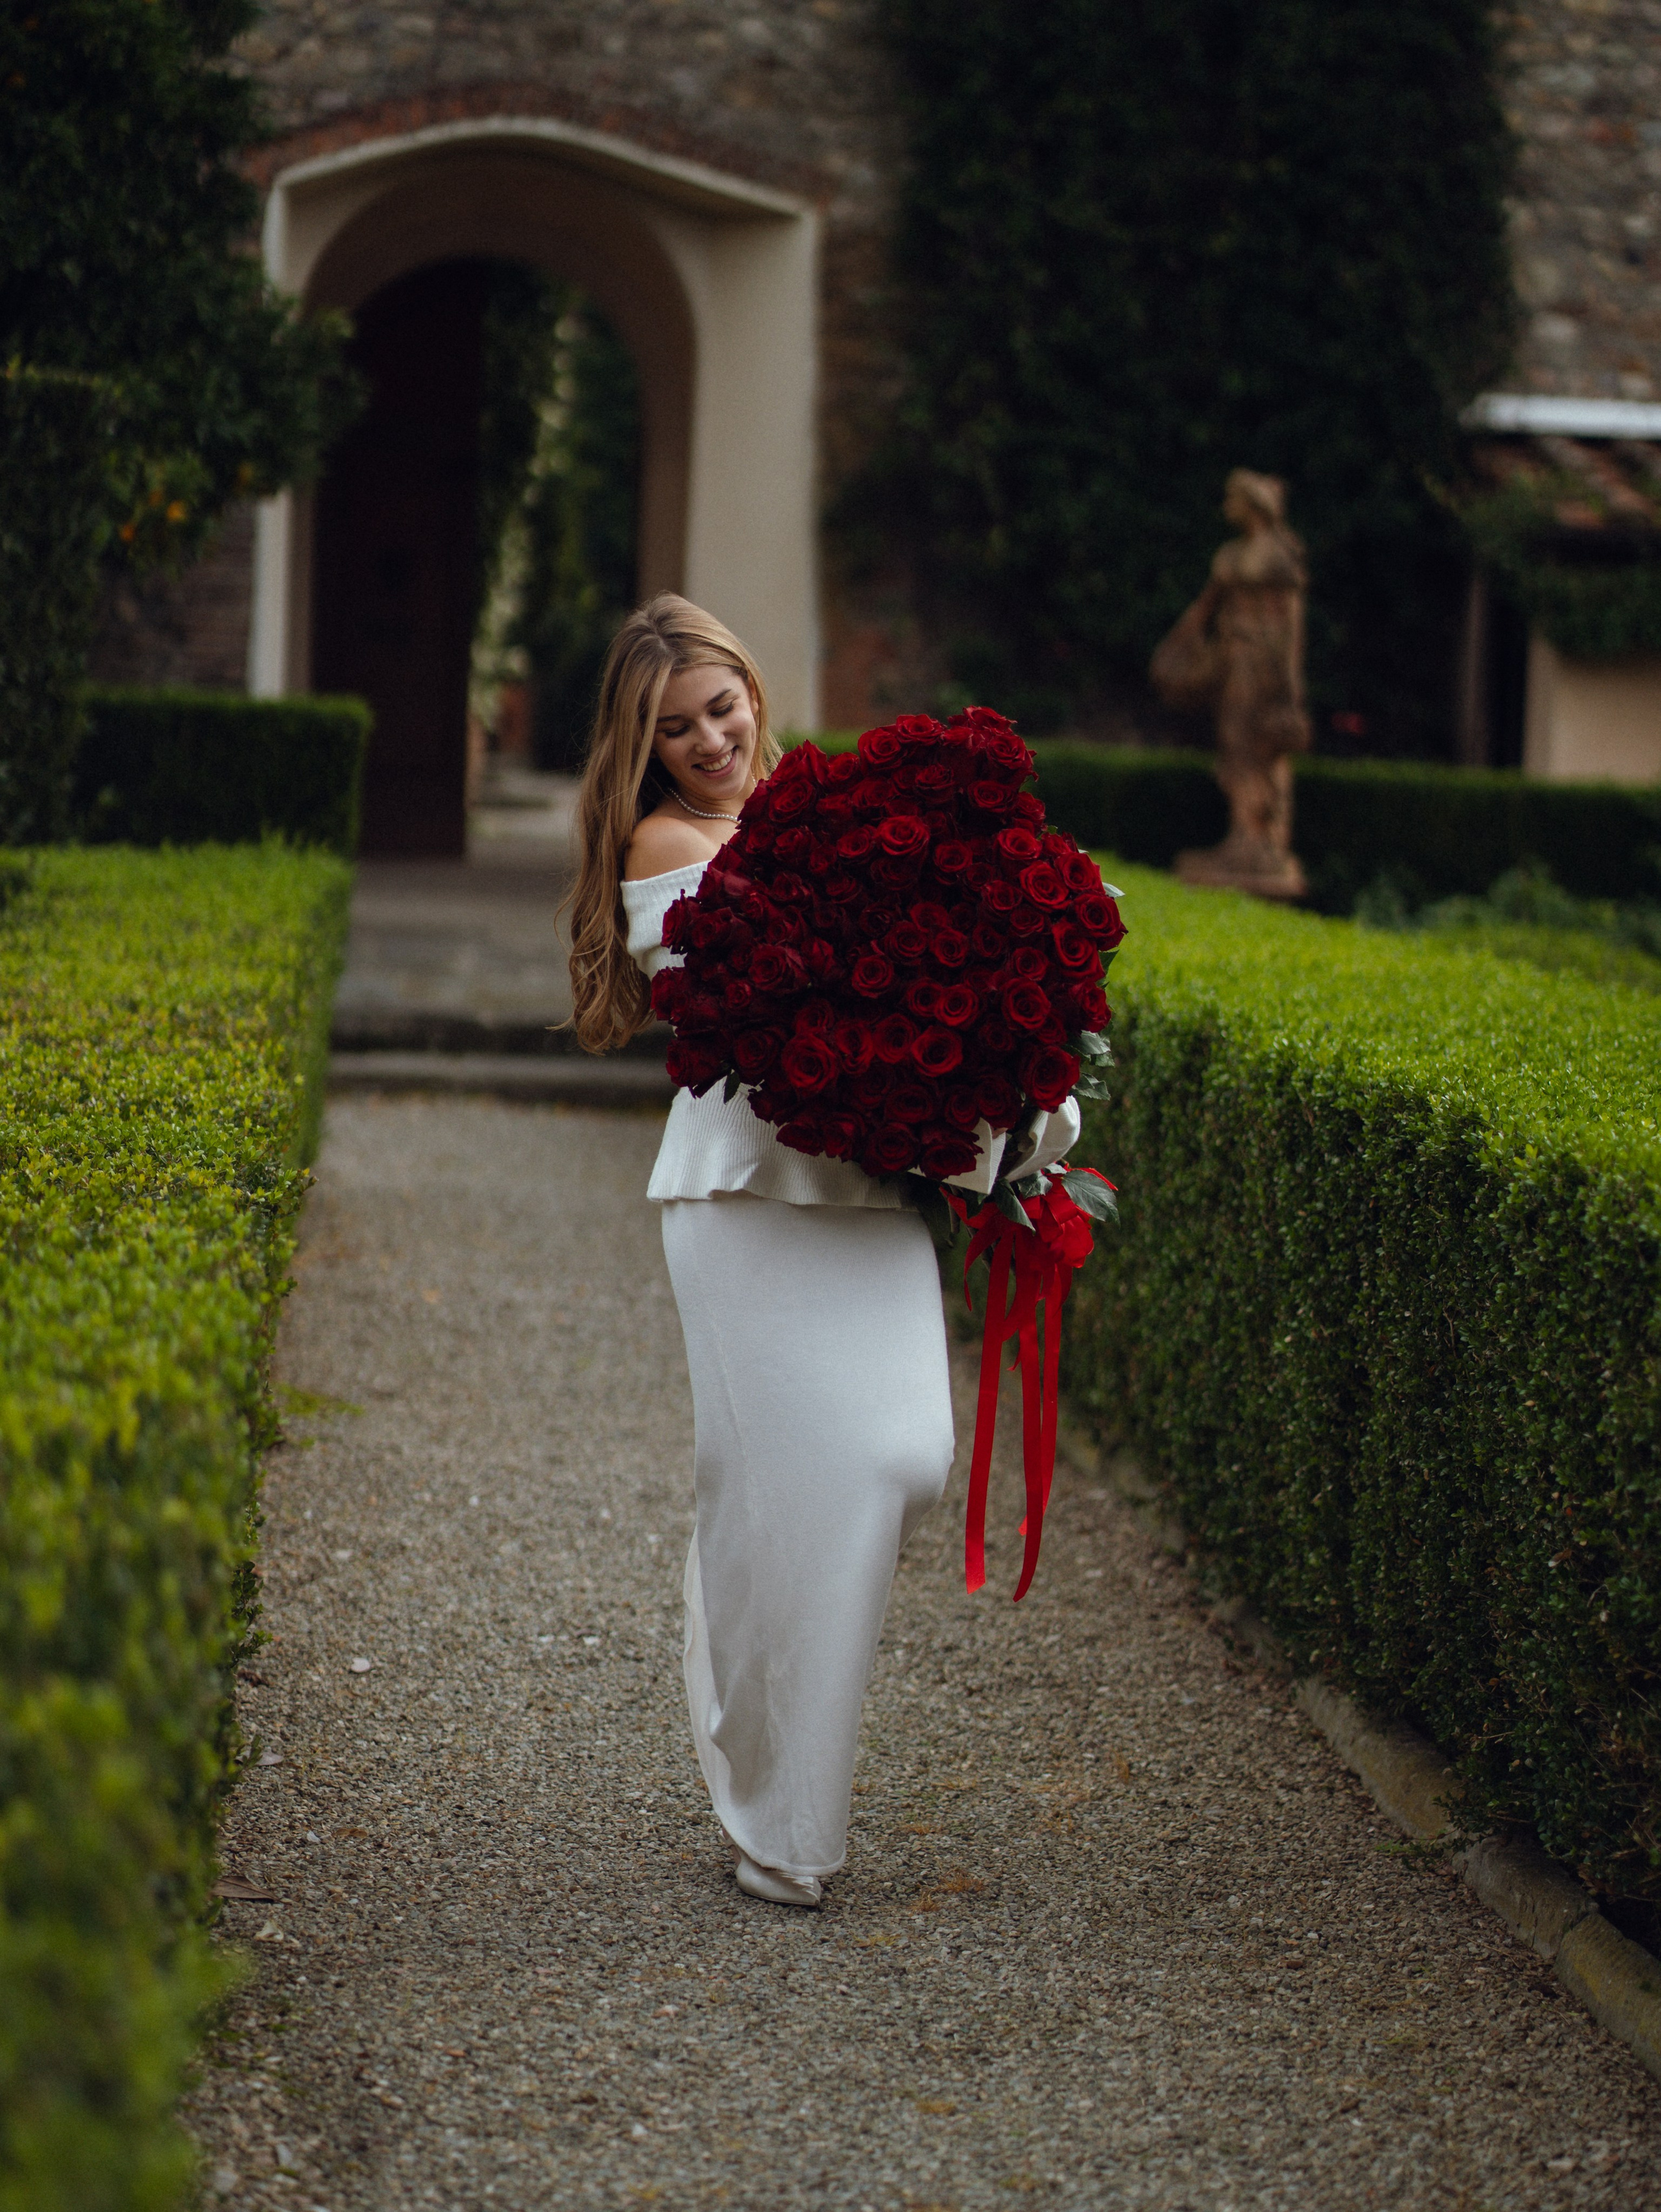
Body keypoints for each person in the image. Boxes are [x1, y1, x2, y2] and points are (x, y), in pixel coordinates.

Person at [566, 594, 1078, 1908]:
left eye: (719, 706)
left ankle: (751, 1716)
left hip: (862, 1181)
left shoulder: (812, 804)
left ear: (749, 684)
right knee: (804, 1481)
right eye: (674, 729)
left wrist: (1010, 1097)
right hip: (744, 1193)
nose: (707, 740)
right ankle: (780, 1825)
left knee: (903, 1451)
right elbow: (757, 1018)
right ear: (644, 747)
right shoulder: (662, 843)